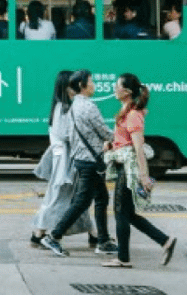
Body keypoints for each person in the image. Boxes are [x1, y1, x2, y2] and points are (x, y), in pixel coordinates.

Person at [39, 70, 115, 258]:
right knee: (82, 202)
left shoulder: (73, 106)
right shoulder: (88, 107)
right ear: (82, 85)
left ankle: (103, 240)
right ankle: (54, 236)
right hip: (91, 161)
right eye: (91, 81)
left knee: (101, 198)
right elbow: (104, 131)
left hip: (83, 159)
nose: (94, 85)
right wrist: (122, 138)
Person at [102, 73, 176, 268]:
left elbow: (138, 148)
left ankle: (123, 258)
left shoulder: (133, 115)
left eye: (117, 86)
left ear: (126, 92)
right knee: (129, 214)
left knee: (120, 213)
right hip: (124, 166)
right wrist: (111, 145)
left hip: (129, 170)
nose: (114, 89)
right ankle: (165, 241)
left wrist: (144, 176)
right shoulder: (126, 111)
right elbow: (124, 142)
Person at [30, 70, 97, 251]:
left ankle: (95, 234)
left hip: (68, 159)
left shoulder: (65, 107)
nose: (76, 87)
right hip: (64, 162)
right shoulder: (62, 108)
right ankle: (38, 234)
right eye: (72, 84)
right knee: (60, 198)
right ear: (65, 87)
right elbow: (64, 134)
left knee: (76, 198)